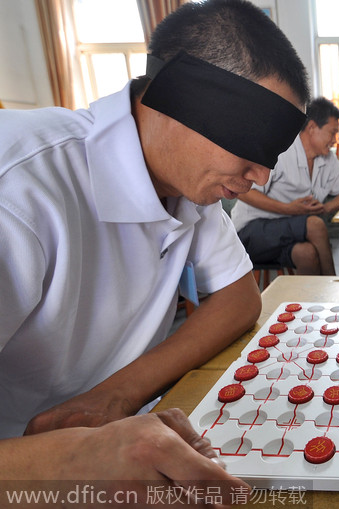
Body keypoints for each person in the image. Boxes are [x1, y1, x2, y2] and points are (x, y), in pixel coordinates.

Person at [0, 0, 309, 498]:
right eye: (249, 142)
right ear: (179, 102)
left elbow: (239, 299)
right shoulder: (19, 190)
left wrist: (112, 398)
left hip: (139, 435)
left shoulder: (190, 185)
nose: (262, 176)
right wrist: (77, 453)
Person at [230, 97, 339, 275]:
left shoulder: (327, 159)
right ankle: (333, 289)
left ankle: (312, 302)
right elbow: (244, 193)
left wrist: (324, 208)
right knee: (315, 226)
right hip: (252, 231)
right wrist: (288, 209)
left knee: (306, 254)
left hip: (287, 234)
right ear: (312, 128)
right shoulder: (282, 151)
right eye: (332, 133)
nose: (335, 140)